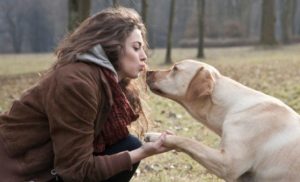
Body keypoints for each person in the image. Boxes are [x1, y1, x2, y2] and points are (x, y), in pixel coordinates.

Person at [0, 7, 170, 182]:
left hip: (51, 169)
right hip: (18, 173)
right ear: (112, 46)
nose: (143, 56)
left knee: (127, 144)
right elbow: (75, 171)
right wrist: (141, 153)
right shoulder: (77, 84)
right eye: (136, 48)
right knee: (131, 148)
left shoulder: (106, 82)